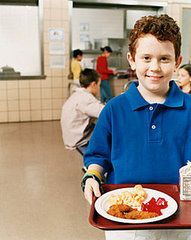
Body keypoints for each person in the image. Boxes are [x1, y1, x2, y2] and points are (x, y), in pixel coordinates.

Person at [81, 14, 191, 240]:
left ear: (177, 61)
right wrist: (91, 176)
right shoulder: (113, 109)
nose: (155, 67)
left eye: (164, 59)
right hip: (124, 221)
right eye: (147, 57)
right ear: (132, 59)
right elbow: (98, 156)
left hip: (181, 218)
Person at [61, 68, 104, 155]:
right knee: (109, 133)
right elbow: (104, 113)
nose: (99, 88)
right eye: (99, 85)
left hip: (71, 135)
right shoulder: (86, 98)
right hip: (79, 140)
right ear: (93, 84)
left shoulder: (78, 94)